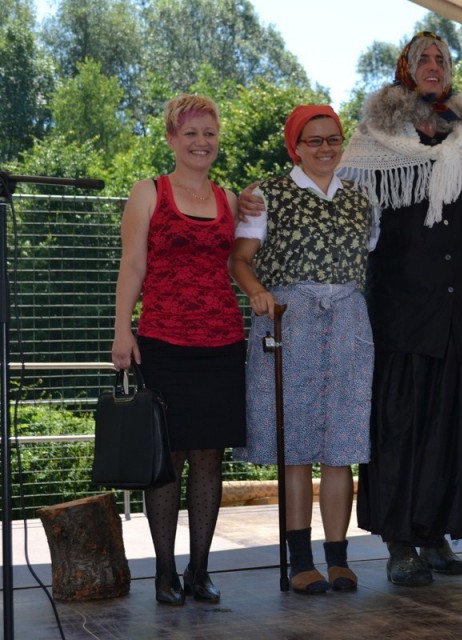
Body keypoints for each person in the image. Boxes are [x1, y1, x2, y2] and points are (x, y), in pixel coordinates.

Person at [338, 31, 462, 586]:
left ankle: (435, 534)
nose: (434, 66)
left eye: (442, 59)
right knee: (402, 423)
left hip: (458, 307)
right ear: (405, 70)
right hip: (401, 306)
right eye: (424, 59)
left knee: (448, 422)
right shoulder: (375, 138)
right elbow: (343, 205)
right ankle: (400, 542)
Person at [230, 105, 374, 594]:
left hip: (348, 322)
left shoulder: (362, 198)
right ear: (296, 147)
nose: (325, 148)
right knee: (294, 448)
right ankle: (300, 561)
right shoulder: (266, 195)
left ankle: (339, 559)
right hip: (290, 321)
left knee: (341, 448)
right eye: (314, 140)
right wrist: (257, 292)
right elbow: (240, 259)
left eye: (333, 138)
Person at [111, 94, 246, 605]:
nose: (201, 142)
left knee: (210, 459)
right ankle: (164, 573)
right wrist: (122, 330)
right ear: (171, 138)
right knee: (166, 460)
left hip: (223, 343)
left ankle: (200, 571)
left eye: (209, 132)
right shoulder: (148, 192)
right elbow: (132, 265)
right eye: (190, 133)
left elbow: (238, 263)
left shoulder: (230, 200)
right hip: (163, 342)